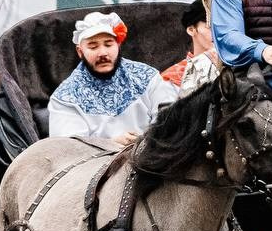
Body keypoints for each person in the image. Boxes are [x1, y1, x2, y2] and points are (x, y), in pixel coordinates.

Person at [48, 11, 178, 145]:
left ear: (118, 45)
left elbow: (171, 119)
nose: (103, 53)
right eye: (93, 47)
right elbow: (67, 148)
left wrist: (146, 140)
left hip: (152, 156)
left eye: (108, 44)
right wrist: (112, 143)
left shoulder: (147, 76)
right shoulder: (65, 97)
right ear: (80, 52)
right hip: (96, 163)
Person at [162, 0, 221, 96]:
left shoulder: (242, 68)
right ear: (191, 30)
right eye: (210, 26)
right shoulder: (173, 78)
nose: (219, 33)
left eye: (224, 26)